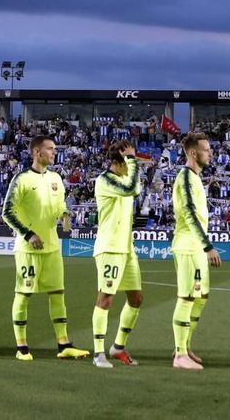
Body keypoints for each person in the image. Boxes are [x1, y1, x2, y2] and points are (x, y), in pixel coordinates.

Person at [2, 135, 89, 360]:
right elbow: (7, 212)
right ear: (37, 152)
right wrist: (28, 234)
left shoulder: (56, 179)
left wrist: (65, 214)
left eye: (55, 148)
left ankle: (64, 345)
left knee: (58, 293)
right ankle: (22, 348)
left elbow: (59, 204)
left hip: (52, 247)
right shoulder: (20, 179)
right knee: (23, 294)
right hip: (28, 249)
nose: (54, 152)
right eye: (50, 149)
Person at [91, 140, 143, 368]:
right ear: (115, 162)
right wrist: (132, 160)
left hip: (127, 248)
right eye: (125, 162)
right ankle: (98, 353)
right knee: (106, 299)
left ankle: (118, 347)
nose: (129, 166)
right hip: (110, 247)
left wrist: (131, 161)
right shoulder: (105, 180)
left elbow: (136, 187)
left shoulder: (123, 178)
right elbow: (132, 188)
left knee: (136, 299)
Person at [171, 133, 220, 370]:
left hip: (195, 246)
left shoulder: (196, 178)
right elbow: (189, 213)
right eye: (206, 150)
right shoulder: (186, 178)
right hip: (189, 246)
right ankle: (180, 355)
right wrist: (207, 245)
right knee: (187, 297)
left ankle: (185, 345)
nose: (210, 153)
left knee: (201, 296)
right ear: (193, 153)